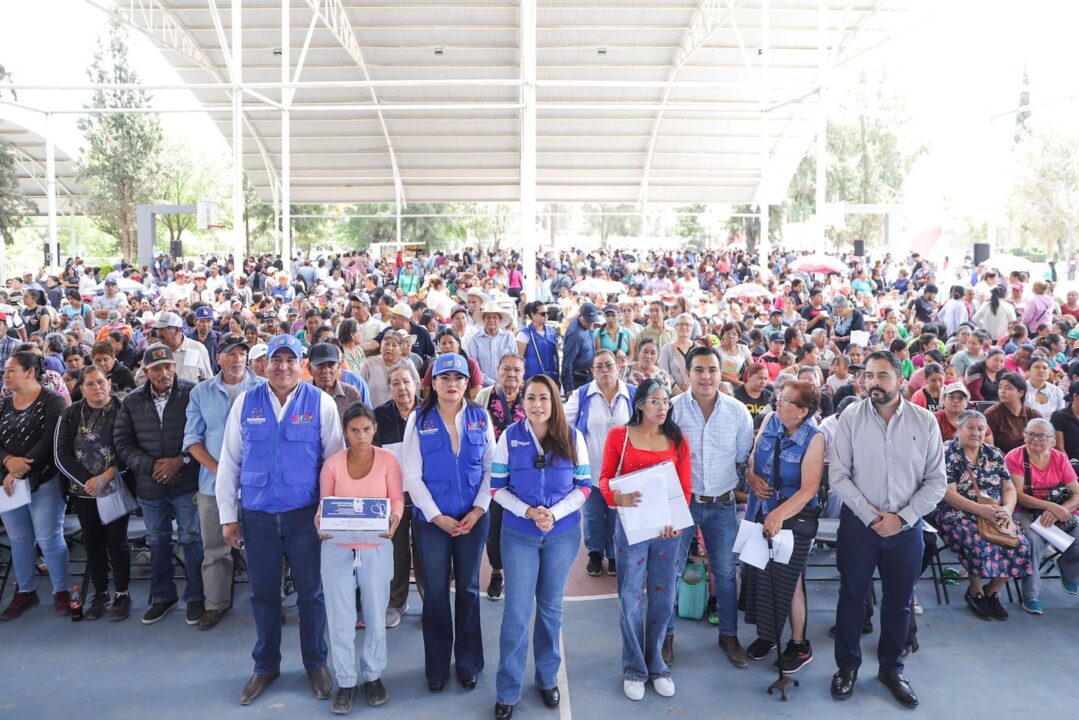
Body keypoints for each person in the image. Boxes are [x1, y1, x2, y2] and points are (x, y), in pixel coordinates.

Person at [215, 334, 346, 706]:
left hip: (305, 515)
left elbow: (334, 463)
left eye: (291, 360)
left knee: (311, 594)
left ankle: (316, 663)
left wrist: (328, 513)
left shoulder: (320, 403)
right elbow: (230, 462)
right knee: (263, 594)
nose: (283, 367)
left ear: (302, 365)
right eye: (277, 359)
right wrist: (228, 516)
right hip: (257, 515)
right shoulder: (246, 403)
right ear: (265, 364)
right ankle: (266, 665)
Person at [827, 350, 946, 708]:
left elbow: (936, 482)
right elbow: (838, 476)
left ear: (900, 379)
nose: (873, 382)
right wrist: (871, 516)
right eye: (869, 376)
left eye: (882, 376)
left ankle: (891, 669)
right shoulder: (851, 417)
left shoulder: (925, 421)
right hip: (860, 527)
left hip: (906, 529)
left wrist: (902, 518)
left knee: (899, 601)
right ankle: (847, 667)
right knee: (852, 598)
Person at [490, 375, 590, 719]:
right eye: (531, 398)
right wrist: (529, 512)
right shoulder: (509, 437)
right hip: (519, 534)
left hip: (562, 535)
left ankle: (547, 679)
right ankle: (508, 690)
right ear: (524, 403)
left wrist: (553, 514)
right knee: (517, 613)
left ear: (554, 402)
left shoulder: (573, 437)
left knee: (550, 608)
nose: (536, 405)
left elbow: (584, 486)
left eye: (543, 398)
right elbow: (497, 487)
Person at [401, 353, 496, 693]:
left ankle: (469, 663)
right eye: (445, 378)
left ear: (467, 383)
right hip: (432, 523)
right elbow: (411, 474)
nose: (452, 384)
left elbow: (491, 469)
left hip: (473, 519)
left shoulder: (480, 417)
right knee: (436, 593)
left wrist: (479, 509)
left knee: (468, 589)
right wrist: (435, 516)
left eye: (458, 378)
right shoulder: (419, 419)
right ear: (433, 383)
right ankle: (437, 667)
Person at [600, 378, 691, 701]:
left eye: (666, 401)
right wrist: (616, 498)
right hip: (632, 529)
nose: (662, 407)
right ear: (640, 405)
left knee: (664, 598)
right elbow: (604, 479)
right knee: (630, 597)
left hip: (667, 532)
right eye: (655, 401)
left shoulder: (677, 440)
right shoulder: (619, 436)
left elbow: (685, 488)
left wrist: (677, 523)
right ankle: (634, 668)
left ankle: (657, 666)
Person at [665, 347, 754, 666]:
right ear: (686, 373)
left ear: (721, 373)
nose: (706, 377)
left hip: (722, 504)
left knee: (726, 572)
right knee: (670, 570)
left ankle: (728, 635)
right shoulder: (671, 410)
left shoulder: (738, 412)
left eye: (712, 370)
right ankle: (665, 636)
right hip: (682, 504)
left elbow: (741, 458)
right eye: (699, 370)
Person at [316, 403, 403, 714]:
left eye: (366, 429)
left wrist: (394, 519)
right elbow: (325, 504)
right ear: (345, 432)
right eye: (355, 430)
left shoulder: (388, 461)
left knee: (376, 615)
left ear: (375, 429)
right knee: (340, 618)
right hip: (337, 548)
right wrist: (320, 521)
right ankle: (346, 681)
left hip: (376, 546)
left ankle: (373, 676)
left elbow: (396, 499)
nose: (361, 436)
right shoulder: (333, 464)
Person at [113, 344, 205, 626]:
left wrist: (181, 461)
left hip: (186, 482)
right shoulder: (132, 401)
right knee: (157, 540)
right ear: (146, 371)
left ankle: (196, 596)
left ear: (174, 367)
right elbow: (122, 443)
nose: (163, 373)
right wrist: (153, 466)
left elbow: (205, 434)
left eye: (167, 367)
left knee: (191, 538)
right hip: (150, 485)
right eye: (156, 369)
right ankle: (163, 596)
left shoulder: (193, 393)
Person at [743, 379, 824, 672]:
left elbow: (809, 489)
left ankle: (799, 645)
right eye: (779, 396)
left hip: (793, 516)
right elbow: (753, 459)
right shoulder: (770, 420)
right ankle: (768, 635)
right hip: (760, 510)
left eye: (786, 400)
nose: (778, 402)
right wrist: (752, 478)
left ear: (803, 411)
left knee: (790, 580)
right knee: (761, 574)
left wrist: (778, 515)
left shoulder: (814, 438)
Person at [183, 334, 262, 631]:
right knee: (215, 549)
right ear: (218, 357)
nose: (237, 358)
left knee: (261, 547)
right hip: (212, 485)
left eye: (242, 353)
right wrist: (222, 471)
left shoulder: (263, 388)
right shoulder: (201, 393)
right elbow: (192, 440)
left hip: (257, 485)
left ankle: (269, 601)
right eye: (230, 353)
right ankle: (215, 604)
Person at [54, 365, 132, 621]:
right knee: (93, 543)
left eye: (101, 382)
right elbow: (61, 454)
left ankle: (122, 593)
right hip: (83, 491)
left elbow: (131, 448)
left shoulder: (123, 410)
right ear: (81, 388)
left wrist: (107, 475)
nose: (97, 387)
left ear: (109, 383)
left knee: (117, 542)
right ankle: (100, 593)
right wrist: (88, 481)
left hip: (115, 487)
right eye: (90, 383)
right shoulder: (70, 414)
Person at [938, 410, 1032, 620]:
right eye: (970, 427)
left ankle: (992, 591)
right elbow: (947, 493)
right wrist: (980, 510)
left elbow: (1008, 488)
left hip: (994, 512)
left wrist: (1007, 510)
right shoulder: (948, 452)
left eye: (980, 428)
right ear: (958, 429)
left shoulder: (994, 454)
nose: (976, 432)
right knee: (979, 543)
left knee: (1022, 545)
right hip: (957, 513)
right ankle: (975, 590)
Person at [0, 351, 70, 621]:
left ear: (30, 372)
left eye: (11, 370)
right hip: (8, 483)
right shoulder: (3, 404)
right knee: (18, 539)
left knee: (48, 537)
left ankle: (61, 590)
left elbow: (50, 441)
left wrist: (20, 469)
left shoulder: (52, 401)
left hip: (44, 479)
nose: (5, 375)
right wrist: (8, 462)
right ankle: (25, 591)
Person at [564, 348, 634, 578]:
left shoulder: (632, 394)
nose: (605, 371)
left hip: (623, 472)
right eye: (599, 367)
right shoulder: (582, 395)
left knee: (617, 514)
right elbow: (563, 423)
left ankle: (613, 554)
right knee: (593, 514)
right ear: (592, 371)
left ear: (618, 366)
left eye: (609, 365)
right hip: (592, 468)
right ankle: (594, 552)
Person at [1006, 418, 1079, 615]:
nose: (1034, 439)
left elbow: (1077, 494)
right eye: (1030, 434)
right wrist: (1049, 506)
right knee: (1033, 541)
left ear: (1052, 441)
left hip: (1055, 511)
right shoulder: (1015, 457)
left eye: (1041, 436)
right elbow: (1017, 494)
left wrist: (1058, 510)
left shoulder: (1059, 458)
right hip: (1023, 511)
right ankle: (1030, 595)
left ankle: (1067, 568)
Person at [374, 365, 424, 627]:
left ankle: (430, 602)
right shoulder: (379, 416)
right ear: (389, 388)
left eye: (406, 381)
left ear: (416, 383)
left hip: (426, 497)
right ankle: (396, 602)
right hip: (394, 498)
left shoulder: (430, 412)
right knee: (396, 551)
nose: (402, 388)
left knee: (426, 551)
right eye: (395, 383)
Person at [475, 354, 528, 600]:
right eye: (506, 369)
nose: (511, 374)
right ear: (497, 370)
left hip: (524, 473)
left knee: (523, 522)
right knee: (494, 525)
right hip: (493, 472)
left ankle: (521, 570)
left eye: (517, 370)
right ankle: (497, 571)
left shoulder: (531, 397)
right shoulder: (484, 397)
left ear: (523, 374)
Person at [138, 311, 212, 385]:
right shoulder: (152, 350)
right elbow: (140, 378)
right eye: (158, 329)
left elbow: (208, 380)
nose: (158, 334)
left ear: (176, 330)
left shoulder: (198, 348)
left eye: (162, 329)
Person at [360, 329, 421, 408]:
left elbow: (417, 387)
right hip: (373, 412)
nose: (389, 348)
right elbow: (360, 389)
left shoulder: (407, 364)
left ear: (400, 350)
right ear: (381, 347)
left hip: (401, 412)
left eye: (394, 345)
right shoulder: (369, 364)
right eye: (386, 344)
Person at [985, 373, 1042, 453]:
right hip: (1003, 459)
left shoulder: (1034, 415)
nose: (1002, 391)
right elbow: (989, 448)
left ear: (1021, 393)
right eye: (1000, 387)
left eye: (1008, 388)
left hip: (1032, 457)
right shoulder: (991, 415)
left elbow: (1043, 442)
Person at [308, 342, 363, 420]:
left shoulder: (351, 394)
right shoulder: (299, 395)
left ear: (338, 367)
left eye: (331, 365)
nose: (326, 371)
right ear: (309, 368)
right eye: (320, 365)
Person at [468, 301, 517, 387]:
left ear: (500, 320)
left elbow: (513, 362)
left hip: (506, 384)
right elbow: (474, 367)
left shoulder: (509, 337)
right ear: (483, 320)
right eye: (488, 317)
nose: (491, 320)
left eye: (495, 317)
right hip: (482, 386)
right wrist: (492, 383)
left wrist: (503, 381)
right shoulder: (475, 339)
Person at [561, 303, 599, 393]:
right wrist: (569, 389)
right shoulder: (575, 335)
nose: (590, 324)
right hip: (578, 380)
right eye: (588, 321)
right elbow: (567, 363)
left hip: (588, 377)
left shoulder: (588, 327)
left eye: (592, 321)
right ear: (581, 316)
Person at [658, 313, 696, 392]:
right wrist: (680, 393)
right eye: (680, 324)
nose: (684, 327)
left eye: (687, 324)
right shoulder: (667, 349)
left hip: (696, 392)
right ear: (675, 327)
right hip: (673, 394)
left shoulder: (698, 349)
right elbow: (664, 374)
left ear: (692, 327)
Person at [733, 362, 774, 429]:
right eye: (760, 378)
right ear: (749, 376)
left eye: (765, 379)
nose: (763, 382)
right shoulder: (734, 395)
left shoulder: (770, 397)